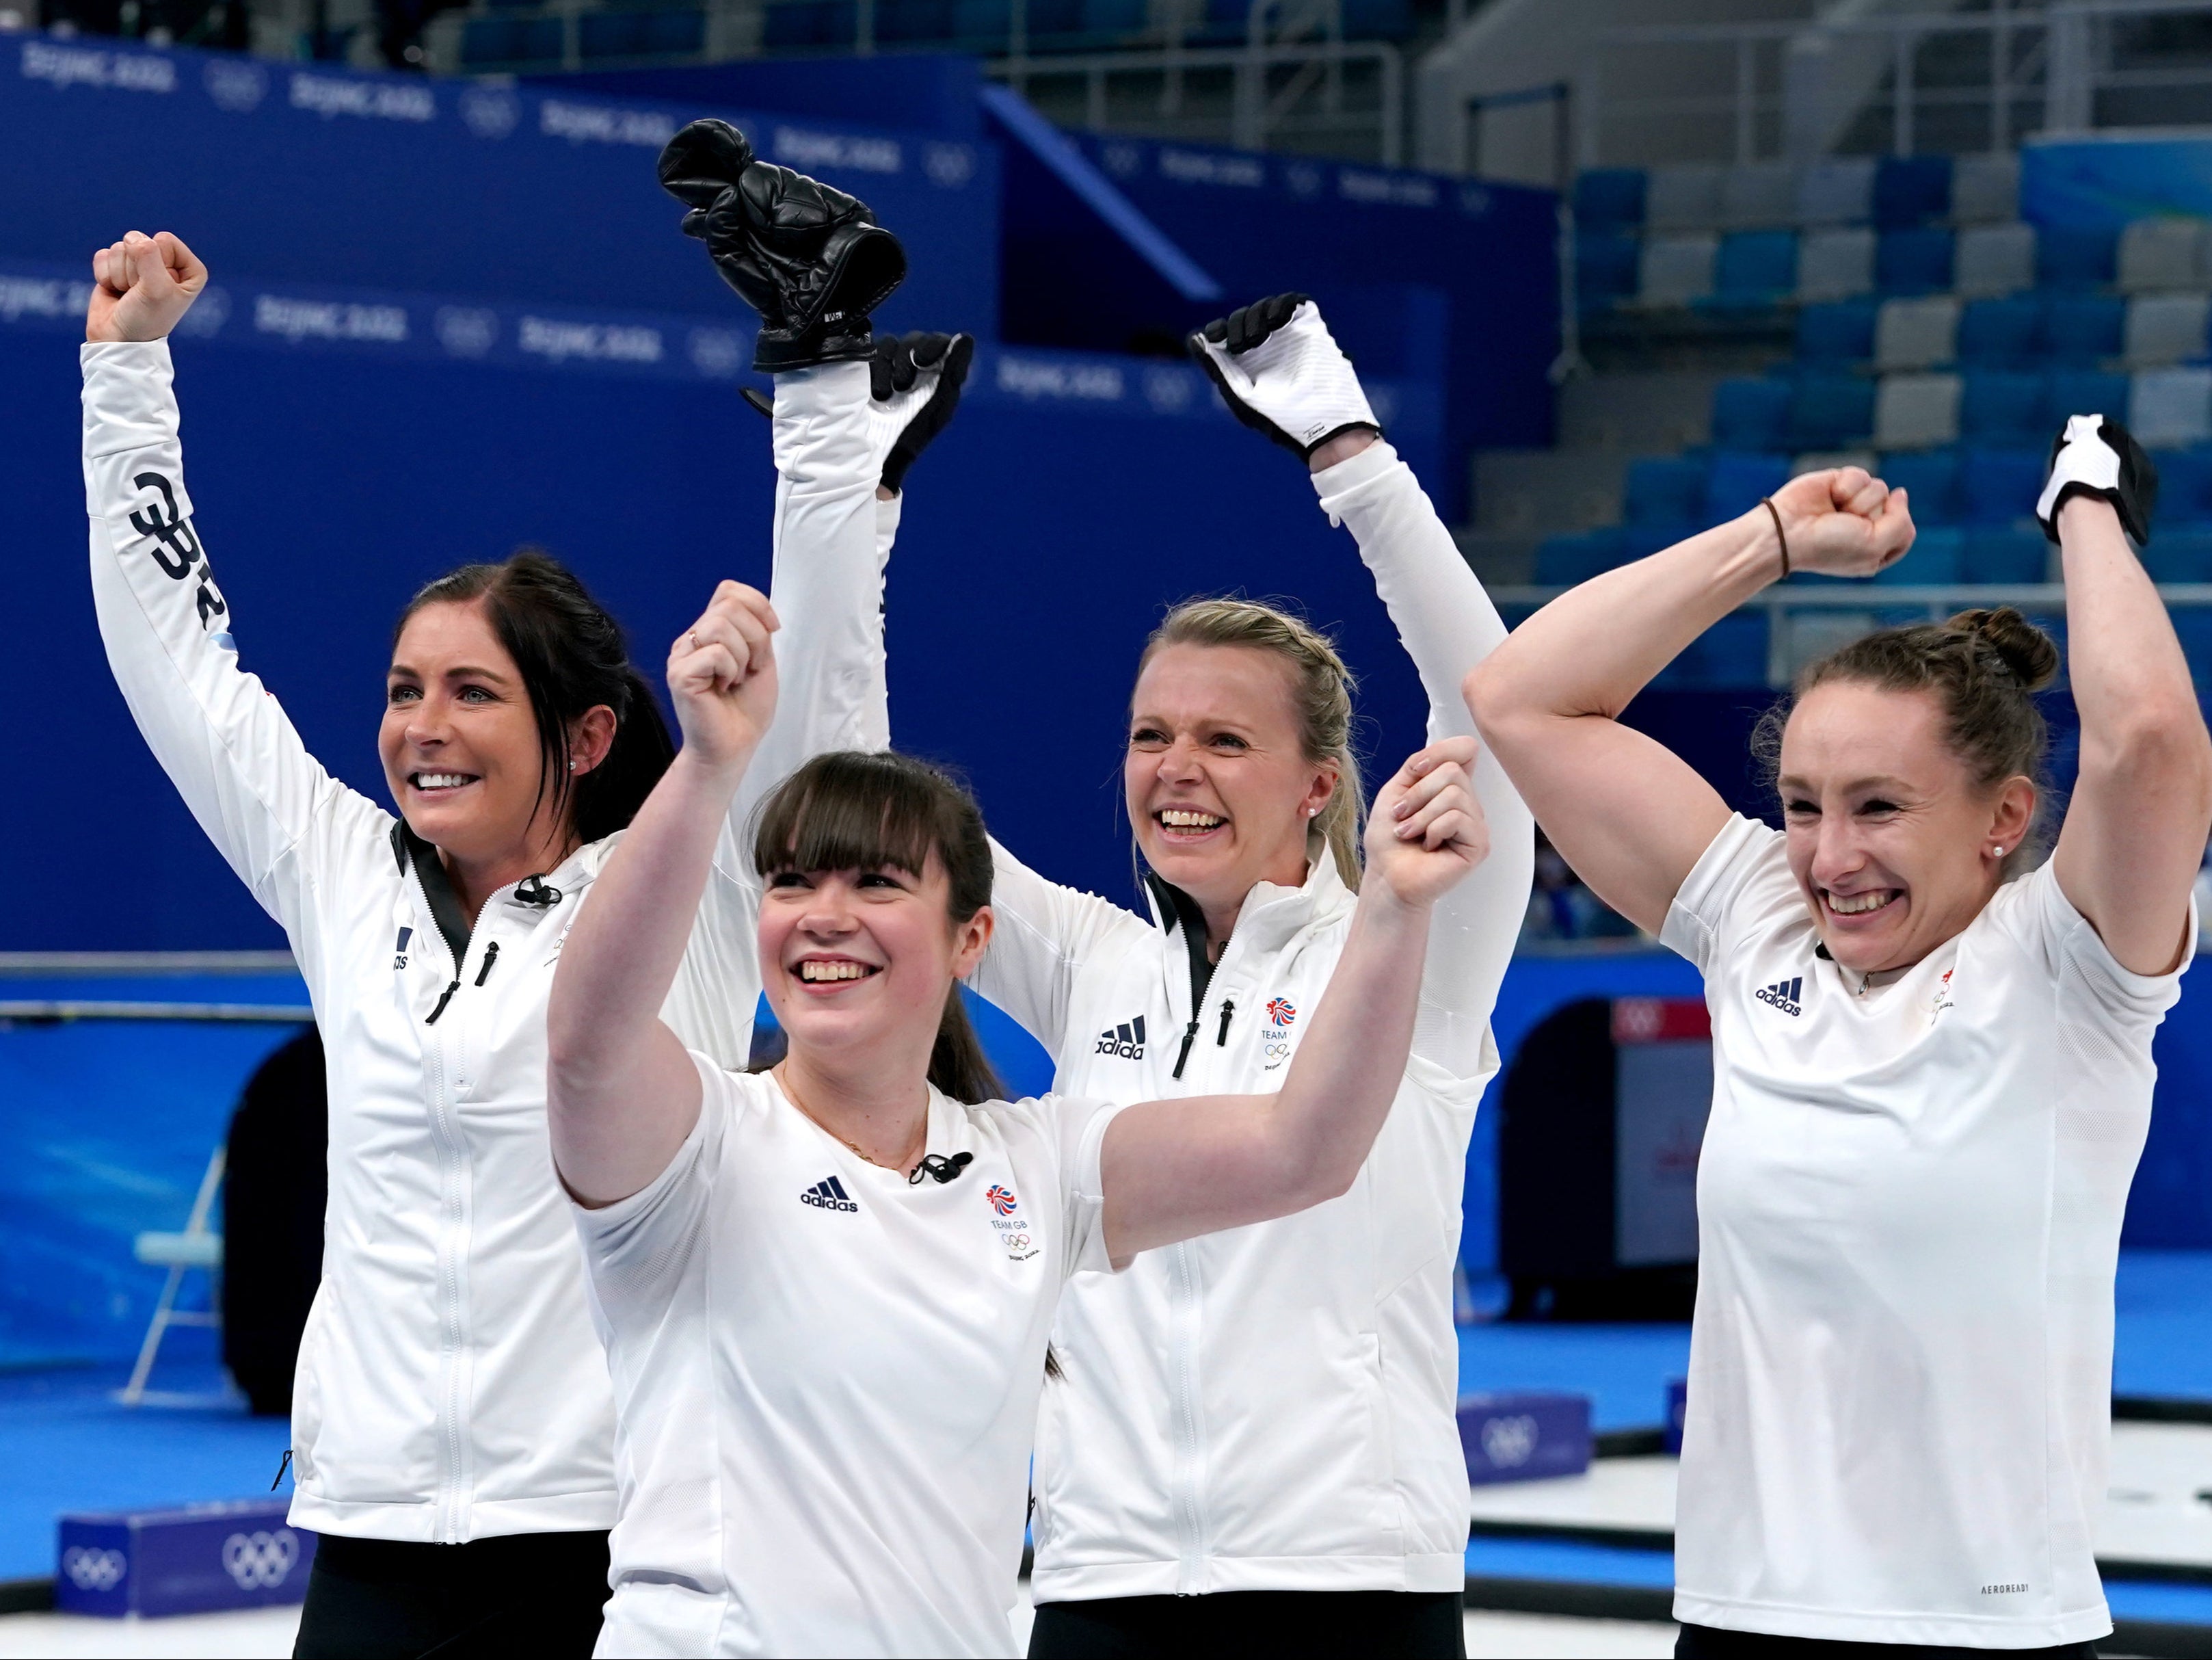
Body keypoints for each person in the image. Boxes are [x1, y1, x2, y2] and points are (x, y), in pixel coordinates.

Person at [79, 224, 961, 1656]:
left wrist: (820, 419)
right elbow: (175, 661)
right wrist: (126, 370)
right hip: (372, 1539)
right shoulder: (340, 874)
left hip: (619, 1547)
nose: (421, 726)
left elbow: (815, 735)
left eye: (472, 692)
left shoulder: (682, 891)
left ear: (586, 731)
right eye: (403, 687)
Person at [542, 575, 1490, 1658]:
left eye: (879, 887)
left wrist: (1395, 911)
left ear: (973, 941)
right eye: (793, 884)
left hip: (1329, 1577)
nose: (830, 917)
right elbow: (587, 1044)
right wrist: (714, 762)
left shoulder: (1037, 1166)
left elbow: (1304, 1148)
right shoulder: (697, 1143)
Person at [1464, 422, 2212, 1656]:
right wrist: (1770, 542)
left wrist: (2086, 500)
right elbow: (1520, 698)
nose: (1829, 857)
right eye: (1803, 806)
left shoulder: (2069, 961)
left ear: (2004, 817)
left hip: (1990, 1634)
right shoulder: (1752, 920)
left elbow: (2153, 744)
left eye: (1880, 808)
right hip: (1741, 1620)